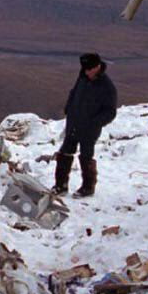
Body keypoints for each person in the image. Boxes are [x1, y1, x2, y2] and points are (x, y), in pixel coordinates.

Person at [54, 53, 117, 197]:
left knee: (86, 156)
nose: (87, 72)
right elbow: (74, 92)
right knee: (64, 153)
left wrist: (94, 123)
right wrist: (68, 108)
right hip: (74, 122)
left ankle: (88, 187)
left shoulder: (107, 87)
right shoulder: (82, 76)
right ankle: (60, 185)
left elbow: (110, 112)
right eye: (85, 69)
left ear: (98, 66)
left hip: (89, 128)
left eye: (90, 69)